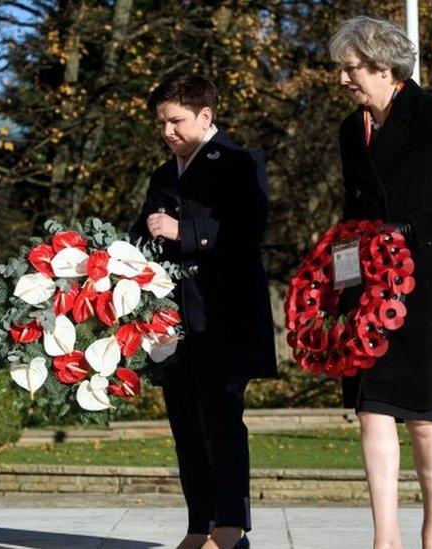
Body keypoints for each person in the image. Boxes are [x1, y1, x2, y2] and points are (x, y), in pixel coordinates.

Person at [329, 16, 432, 549]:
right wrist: (340, 277)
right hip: (369, 299)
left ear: (384, 66)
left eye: (350, 68)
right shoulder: (348, 131)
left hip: (429, 293)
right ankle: (386, 539)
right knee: (372, 410)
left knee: (425, 421)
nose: (342, 80)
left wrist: (409, 231)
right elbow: (354, 211)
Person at [130, 74, 277, 549]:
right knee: (185, 426)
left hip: (224, 317)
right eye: (162, 122)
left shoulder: (240, 162)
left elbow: (247, 229)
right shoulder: (162, 174)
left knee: (222, 422)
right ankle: (200, 524)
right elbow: (139, 238)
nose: (167, 131)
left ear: (205, 117)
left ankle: (231, 527)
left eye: (176, 121)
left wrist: (184, 230)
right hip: (174, 323)